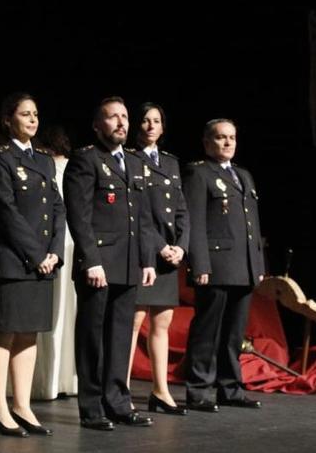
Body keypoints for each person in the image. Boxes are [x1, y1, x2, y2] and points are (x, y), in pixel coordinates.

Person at [63, 96, 156, 431]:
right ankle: (91, 407)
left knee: (119, 336)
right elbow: (80, 215)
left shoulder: (134, 162)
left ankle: (118, 401)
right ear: (96, 125)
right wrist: (91, 261)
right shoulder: (85, 160)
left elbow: (143, 218)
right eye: (112, 117)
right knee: (92, 336)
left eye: (125, 117)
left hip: (130, 262)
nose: (121, 123)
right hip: (99, 265)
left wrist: (147, 259)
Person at [0, 93, 65, 437]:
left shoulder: (45, 161)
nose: (32, 120)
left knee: (29, 333)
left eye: (35, 114)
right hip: (15, 260)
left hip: (43, 261)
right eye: (25, 114)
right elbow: (6, 211)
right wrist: (36, 255)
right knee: (4, 331)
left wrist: (55, 252)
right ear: (8, 120)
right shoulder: (0, 157)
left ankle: (22, 405)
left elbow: (58, 208)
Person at [183, 118, 265, 412]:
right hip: (215, 266)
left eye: (232, 137)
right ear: (207, 142)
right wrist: (199, 264)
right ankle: (199, 389)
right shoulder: (199, 173)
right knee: (208, 330)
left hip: (242, 267)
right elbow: (194, 221)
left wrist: (257, 263)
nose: (228, 142)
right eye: (221, 138)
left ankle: (230, 387)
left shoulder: (243, 175)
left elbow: (251, 225)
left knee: (234, 333)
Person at [127, 103, 190, 415]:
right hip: (142, 253)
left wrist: (181, 246)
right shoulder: (128, 159)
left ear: (163, 127)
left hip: (168, 257)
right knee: (133, 321)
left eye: (156, 121)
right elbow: (134, 213)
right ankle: (119, 390)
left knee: (161, 322)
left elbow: (181, 209)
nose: (150, 126)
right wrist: (158, 246)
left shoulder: (171, 163)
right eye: (145, 120)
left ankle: (160, 391)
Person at [32, 125, 78, 400]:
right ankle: (68, 380)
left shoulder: (42, 166)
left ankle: (47, 381)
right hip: (73, 243)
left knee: (49, 313)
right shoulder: (74, 167)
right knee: (69, 312)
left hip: (51, 242)